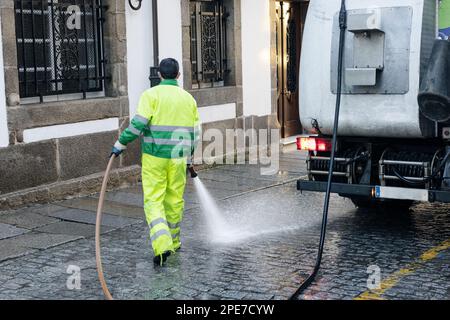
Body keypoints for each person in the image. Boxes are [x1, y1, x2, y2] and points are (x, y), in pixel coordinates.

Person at [111, 58, 200, 266]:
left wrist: (120, 143)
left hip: (154, 158)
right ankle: (175, 241)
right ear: (178, 75)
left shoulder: (150, 95)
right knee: (174, 200)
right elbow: (195, 134)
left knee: (153, 200)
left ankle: (162, 245)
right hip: (178, 158)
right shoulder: (189, 99)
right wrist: (189, 157)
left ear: (159, 74)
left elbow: (138, 125)